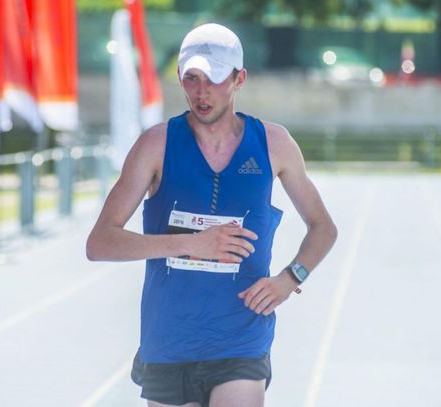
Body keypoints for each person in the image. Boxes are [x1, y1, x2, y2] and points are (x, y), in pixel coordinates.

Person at [86, 23, 337, 407]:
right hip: (169, 342)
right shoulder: (155, 145)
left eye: (215, 79)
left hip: (241, 339)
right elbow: (100, 242)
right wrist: (192, 244)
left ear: (239, 79)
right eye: (192, 78)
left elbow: (323, 227)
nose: (202, 92)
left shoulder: (273, 144)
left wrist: (290, 278)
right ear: (180, 78)